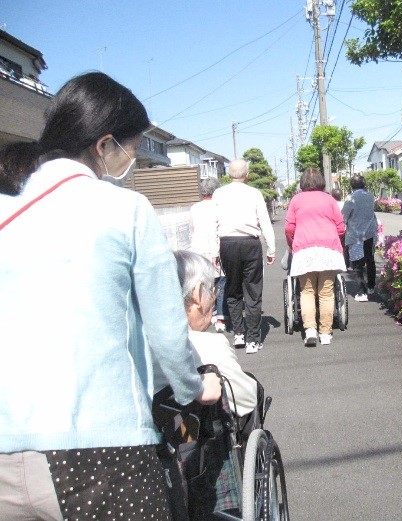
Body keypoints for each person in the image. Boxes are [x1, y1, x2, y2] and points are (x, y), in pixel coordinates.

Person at [0, 72, 221, 521]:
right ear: (104, 146)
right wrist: (194, 387)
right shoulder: (125, 210)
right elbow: (165, 328)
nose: (133, 158)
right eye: (133, 147)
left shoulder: (7, 216)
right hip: (97, 452)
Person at [154, 250, 258, 420]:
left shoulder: (137, 347)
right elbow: (246, 401)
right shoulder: (209, 344)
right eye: (211, 289)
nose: (214, 297)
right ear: (197, 293)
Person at [213, 159, 275, 354]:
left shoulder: (219, 193)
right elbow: (265, 222)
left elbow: (212, 223)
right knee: (253, 291)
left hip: (227, 243)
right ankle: (253, 339)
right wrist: (271, 249)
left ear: (229, 174)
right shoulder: (254, 193)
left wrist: (214, 251)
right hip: (250, 243)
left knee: (233, 288)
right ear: (247, 175)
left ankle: (238, 333)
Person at [285, 167, 346, 346]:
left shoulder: (296, 200)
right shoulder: (329, 200)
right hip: (328, 250)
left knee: (307, 291)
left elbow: (289, 228)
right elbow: (341, 227)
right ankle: (325, 333)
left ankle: (310, 330)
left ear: (303, 182)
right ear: (321, 181)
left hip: (304, 251)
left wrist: (292, 244)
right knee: (326, 293)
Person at [189, 176, 227, 333]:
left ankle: (206, 315)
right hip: (215, 251)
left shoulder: (194, 208)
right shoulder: (219, 207)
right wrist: (216, 253)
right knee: (221, 283)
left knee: (203, 286)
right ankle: (220, 318)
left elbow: (191, 229)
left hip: (197, 251)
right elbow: (217, 231)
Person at [342, 174, 378, 302]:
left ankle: (362, 291)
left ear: (351, 186)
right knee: (370, 259)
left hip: (355, 234)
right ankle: (371, 286)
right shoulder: (370, 196)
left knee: (358, 264)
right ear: (364, 184)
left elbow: (344, 215)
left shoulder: (351, 198)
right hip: (369, 232)